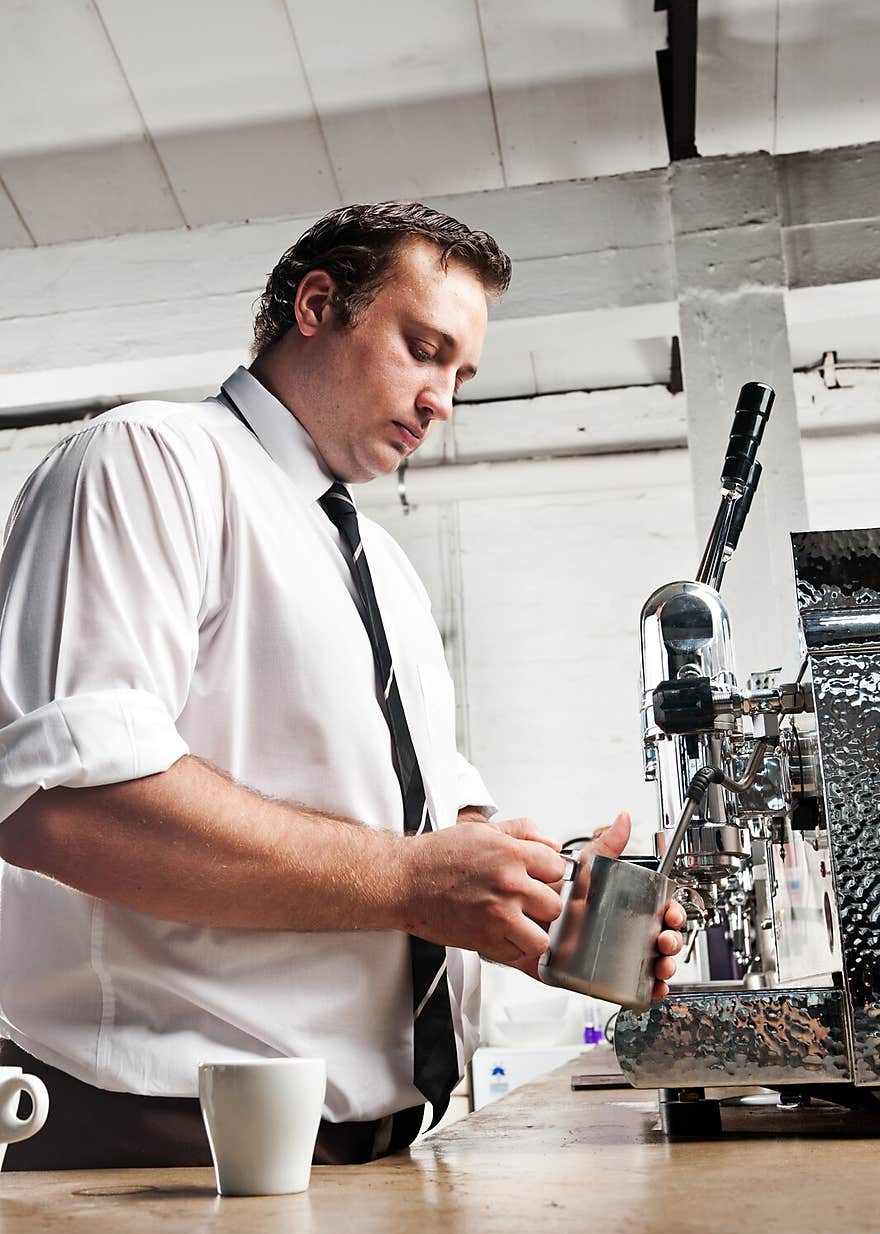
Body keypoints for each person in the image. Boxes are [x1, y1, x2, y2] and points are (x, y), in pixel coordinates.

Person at [0, 202, 684, 1168]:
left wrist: (549, 900)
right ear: (318, 304)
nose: (442, 397)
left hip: (380, 1152)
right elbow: (63, 808)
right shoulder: (150, 460)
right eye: (423, 347)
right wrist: (414, 881)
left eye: (461, 373)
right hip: (165, 1153)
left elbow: (428, 836)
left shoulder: (381, 565)